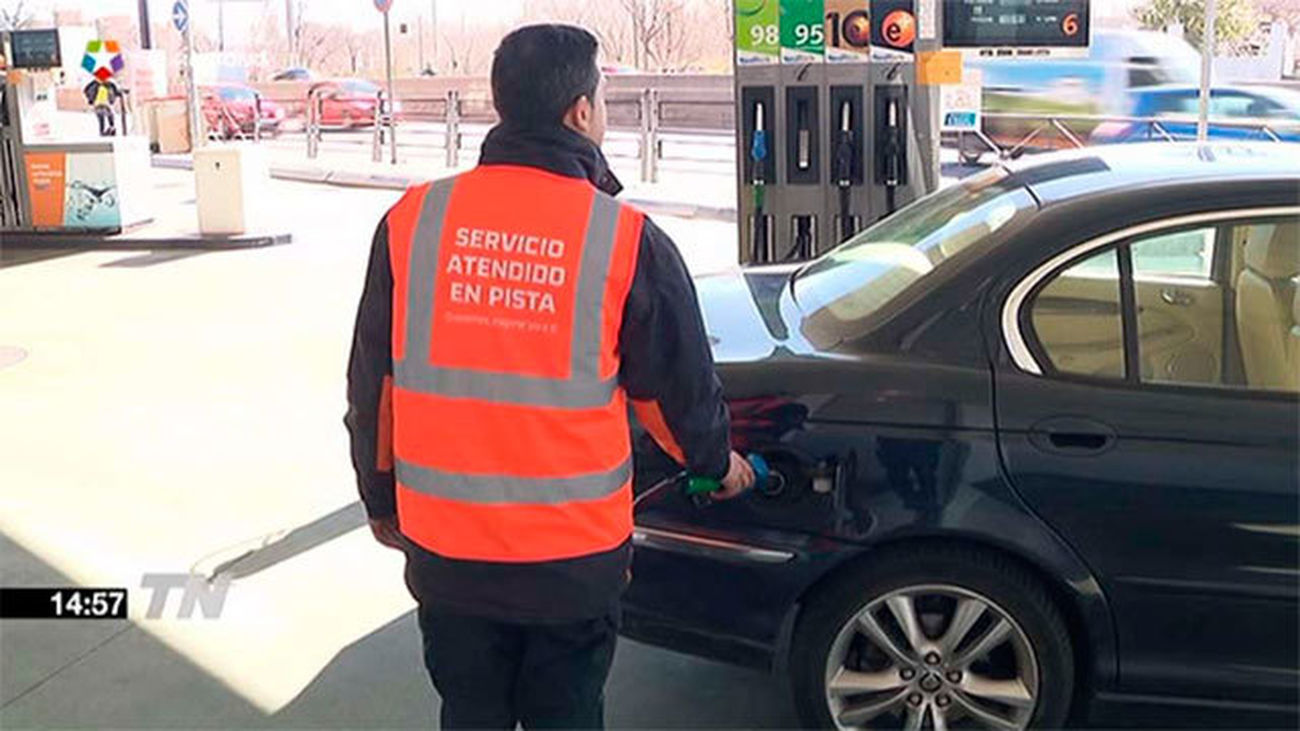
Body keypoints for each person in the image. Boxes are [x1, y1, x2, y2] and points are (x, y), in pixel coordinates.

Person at [344, 24, 755, 730]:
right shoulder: (625, 239)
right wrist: (719, 466)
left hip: (448, 555)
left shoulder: (413, 221)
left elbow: (372, 388)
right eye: (602, 98)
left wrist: (380, 498)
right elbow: (673, 398)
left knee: (469, 712)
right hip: (572, 565)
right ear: (579, 112)